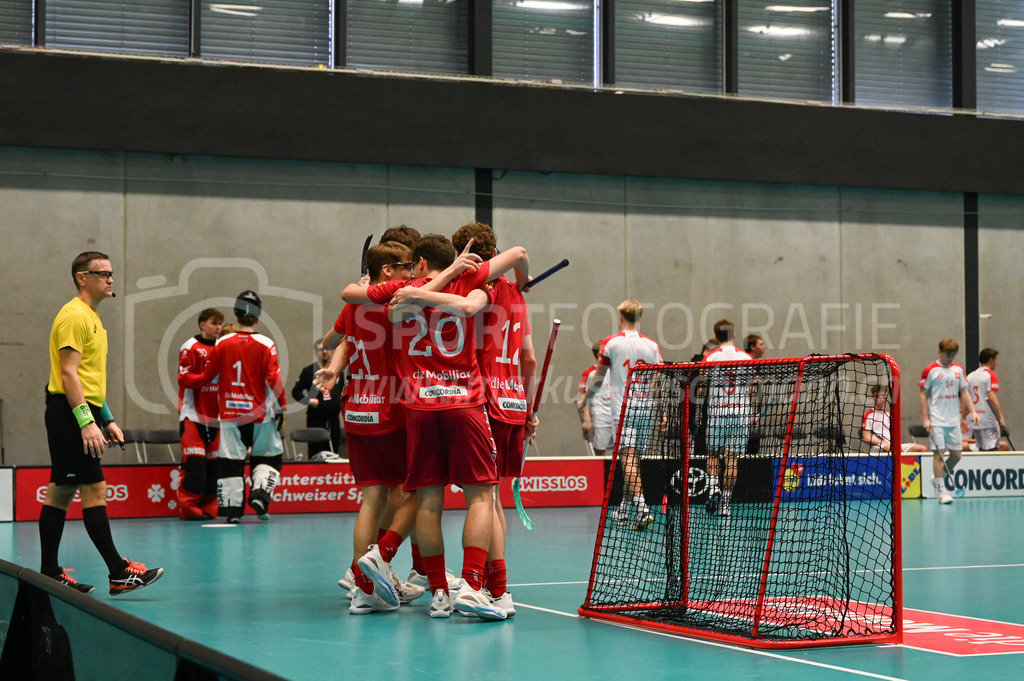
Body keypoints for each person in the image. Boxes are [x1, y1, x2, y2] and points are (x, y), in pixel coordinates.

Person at [348, 233, 529, 621]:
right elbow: (513, 256)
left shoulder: (406, 288)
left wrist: (423, 288)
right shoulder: (470, 280)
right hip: (465, 402)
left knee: (429, 502)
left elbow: (369, 302)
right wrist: (462, 271)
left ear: (420, 263)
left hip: (418, 407)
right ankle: (473, 585)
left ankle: (441, 595)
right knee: (482, 496)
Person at [40, 251, 163, 595]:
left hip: (82, 410)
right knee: (82, 488)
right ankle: (116, 571)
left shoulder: (92, 319)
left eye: (112, 273)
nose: (111, 279)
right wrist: (85, 422)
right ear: (82, 277)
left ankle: (60, 571)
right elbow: (68, 374)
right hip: (68, 412)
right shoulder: (73, 316)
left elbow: (90, 379)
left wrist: (105, 417)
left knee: (69, 490)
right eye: (102, 273)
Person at [316, 241, 426, 614]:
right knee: (420, 493)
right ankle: (379, 561)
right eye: (404, 266)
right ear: (387, 271)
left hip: (357, 408)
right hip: (391, 410)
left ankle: (363, 587)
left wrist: (333, 368)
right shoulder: (400, 302)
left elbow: (339, 340)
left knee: (373, 498)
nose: (411, 272)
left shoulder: (355, 303)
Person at [452, 222, 537, 618]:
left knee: (484, 500)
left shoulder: (472, 285)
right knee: (493, 499)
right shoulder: (518, 296)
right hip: (515, 403)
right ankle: (492, 586)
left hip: (483, 400)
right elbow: (529, 360)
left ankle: (490, 587)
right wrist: (531, 408)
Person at [181, 290, 288, 522]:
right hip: (261, 414)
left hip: (229, 415)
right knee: (269, 456)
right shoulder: (266, 343)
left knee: (231, 462)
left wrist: (187, 380)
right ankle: (259, 494)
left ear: (236, 315)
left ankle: (232, 512)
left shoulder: (223, 343)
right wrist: (283, 405)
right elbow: (273, 377)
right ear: (258, 316)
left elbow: (208, 375)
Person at [579, 301, 662, 531]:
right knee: (633, 462)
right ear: (639, 317)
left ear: (621, 317)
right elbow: (658, 380)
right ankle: (625, 509)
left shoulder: (612, 343)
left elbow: (598, 378)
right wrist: (661, 411)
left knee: (627, 459)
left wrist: (584, 400)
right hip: (646, 409)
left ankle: (642, 508)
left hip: (623, 410)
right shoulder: (651, 346)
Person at [702, 319, 754, 517]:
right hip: (741, 414)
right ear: (733, 335)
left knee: (713, 455)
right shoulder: (746, 357)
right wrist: (753, 413)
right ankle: (725, 503)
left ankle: (713, 487)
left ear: (716, 337)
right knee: (732, 459)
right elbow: (752, 387)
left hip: (717, 413)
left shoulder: (710, 357)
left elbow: (703, 385)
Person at [176, 307, 224, 520]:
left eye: (220, 324)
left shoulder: (223, 347)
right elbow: (184, 378)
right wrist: (207, 375)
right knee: (195, 465)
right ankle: (188, 508)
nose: (218, 327)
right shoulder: (190, 347)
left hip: (217, 419)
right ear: (202, 324)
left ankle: (210, 507)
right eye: (214, 323)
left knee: (214, 467)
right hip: (193, 416)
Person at [919, 338, 979, 504]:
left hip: (953, 420)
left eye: (953, 355)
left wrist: (972, 412)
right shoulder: (930, 370)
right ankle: (941, 491)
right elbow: (923, 394)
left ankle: (938, 477)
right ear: (940, 352)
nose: (950, 358)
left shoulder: (958, 370)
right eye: (947, 354)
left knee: (957, 455)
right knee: (939, 454)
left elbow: (964, 392)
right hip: (936, 419)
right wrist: (925, 418)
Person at [291, 339, 343, 456]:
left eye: (327, 349)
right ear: (316, 352)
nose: (324, 352)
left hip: (333, 418)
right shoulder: (309, 371)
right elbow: (296, 391)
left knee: (334, 450)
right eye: (320, 349)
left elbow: (342, 390)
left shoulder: (337, 371)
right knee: (316, 449)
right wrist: (309, 401)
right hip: (316, 418)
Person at [861, 385, 926, 454]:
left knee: (922, 448)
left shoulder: (890, 415)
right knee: (891, 449)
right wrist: (883, 442)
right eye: (877, 396)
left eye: (883, 395)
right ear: (873, 397)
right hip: (878, 446)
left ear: (886, 397)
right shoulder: (868, 415)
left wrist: (896, 444)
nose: (880, 398)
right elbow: (867, 438)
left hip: (893, 445)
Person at [967, 348, 1009, 452]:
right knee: (993, 449)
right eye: (996, 360)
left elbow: (965, 399)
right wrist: (1000, 418)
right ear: (991, 360)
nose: (996, 363)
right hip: (988, 420)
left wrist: (963, 418)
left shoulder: (970, 376)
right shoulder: (990, 375)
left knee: (981, 449)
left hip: (975, 419)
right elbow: (991, 397)